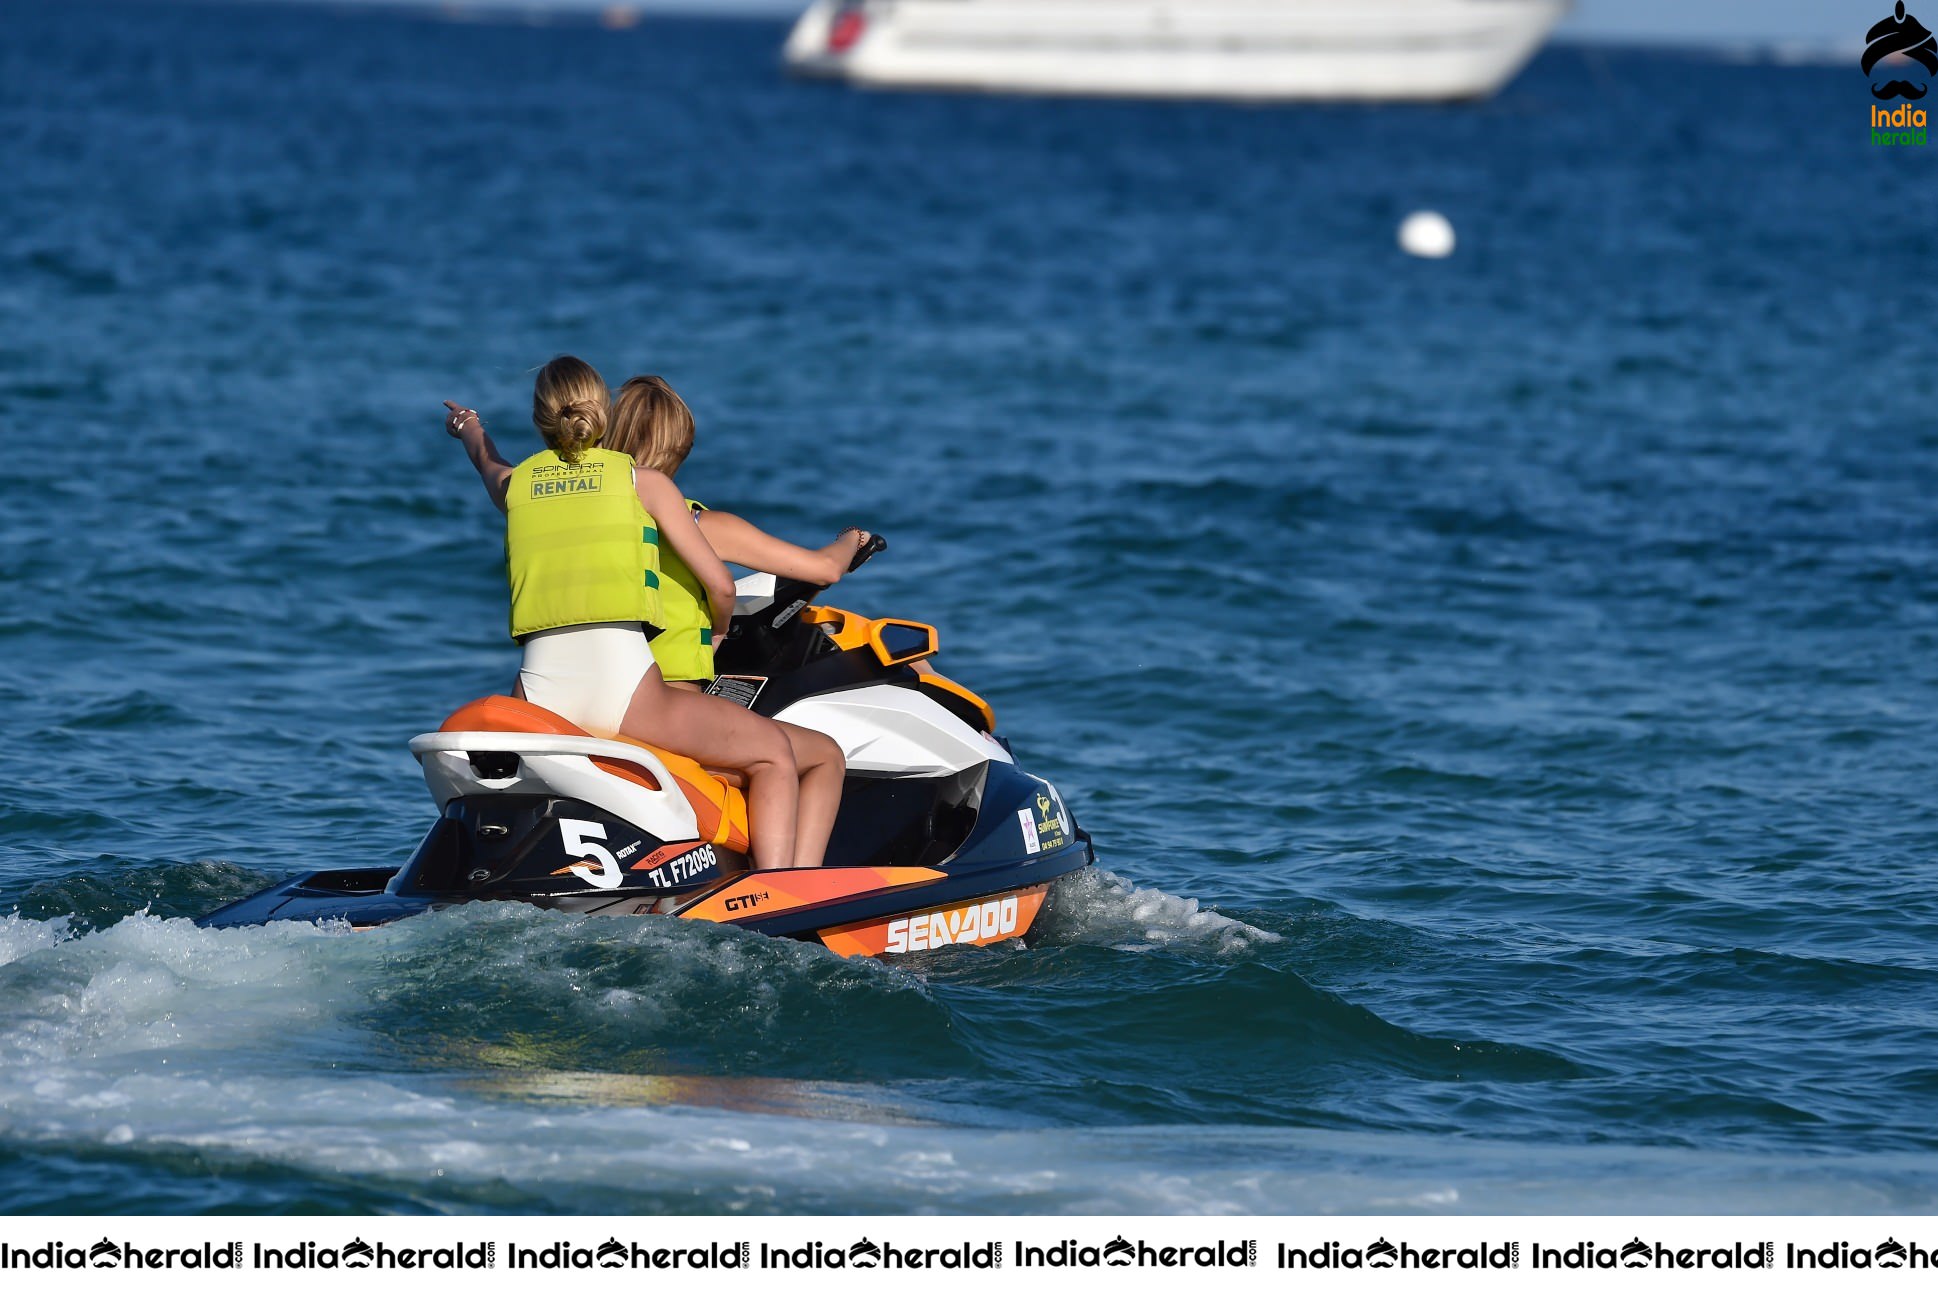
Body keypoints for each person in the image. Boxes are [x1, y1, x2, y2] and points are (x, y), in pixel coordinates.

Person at [442, 356, 828, 870]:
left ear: (540, 418)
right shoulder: (642, 484)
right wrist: (715, 633)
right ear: (602, 411)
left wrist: (468, 426)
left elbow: (483, 459)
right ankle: (781, 893)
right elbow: (719, 584)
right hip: (620, 689)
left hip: (538, 694)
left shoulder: (516, 486)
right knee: (774, 753)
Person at [603, 375, 858, 863]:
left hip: (598, 698)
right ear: (679, 446)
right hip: (666, 703)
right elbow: (824, 569)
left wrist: (471, 433)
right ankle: (792, 890)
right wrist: (853, 537)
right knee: (823, 755)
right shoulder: (699, 524)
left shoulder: (593, 521)